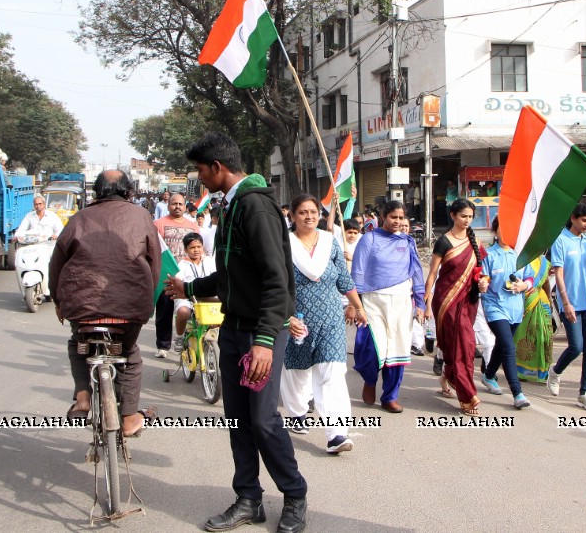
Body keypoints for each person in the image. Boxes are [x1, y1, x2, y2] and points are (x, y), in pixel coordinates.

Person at [164, 134, 307, 533]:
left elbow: (277, 280)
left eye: (199, 170)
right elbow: (230, 274)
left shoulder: (255, 207)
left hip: (262, 333)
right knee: (239, 420)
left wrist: (264, 341)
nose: (199, 177)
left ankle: (295, 495)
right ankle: (248, 499)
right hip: (234, 329)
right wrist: (188, 288)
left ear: (217, 168)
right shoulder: (230, 207)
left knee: (263, 421)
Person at [49, 170, 160, 439]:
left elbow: (56, 264)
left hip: (82, 307)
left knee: (78, 345)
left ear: (96, 192)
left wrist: (58, 300)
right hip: (130, 307)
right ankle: (130, 416)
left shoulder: (79, 218)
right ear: (129, 191)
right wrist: (148, 297)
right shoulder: (142, 216)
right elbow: (154, 264)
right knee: (129, 355)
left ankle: (83, 396)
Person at [280, 194, 367, 454]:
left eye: (314, 211)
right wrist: (286, 317)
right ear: (292, 216)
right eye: (303, 212)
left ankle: (337, 434)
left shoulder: (330, 242)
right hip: (297, 318)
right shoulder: (284, 245)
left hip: (330, 318)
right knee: (297, 371)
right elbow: (276, 283)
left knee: (332, 374)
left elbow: (344, 279)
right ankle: (296, 413)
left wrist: (358, 306)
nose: (309, 216)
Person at [351, 200, 426, 414]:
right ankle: (370, 379)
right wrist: (355, 305)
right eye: (394, 217)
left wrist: (420, 303)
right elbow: (358, 272)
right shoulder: (369, 239)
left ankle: (390, 396)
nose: (398, 221)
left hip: (401, 300)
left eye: (401, 218)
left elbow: (417, 272)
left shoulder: (408, 241)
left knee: (397, 349)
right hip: (373, 301)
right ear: (383, 217)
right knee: (372, 347)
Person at [424, 198, 488, 415]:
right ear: (453, 216)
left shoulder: (475, 242)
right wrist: (425, 299)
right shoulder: (444, 242)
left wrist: (483, 282)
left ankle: (449, 377)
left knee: (463, 347)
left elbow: (480, 272)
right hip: (446, 301)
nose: (467, 220)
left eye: (470, 216)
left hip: (468, 300)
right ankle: (467, 396)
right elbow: (432, 273)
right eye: (463, 216)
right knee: (462, 344)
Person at [547, 203, 586, 411]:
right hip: (570, 301)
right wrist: (565, 302)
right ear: (573, 218)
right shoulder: (560, 241)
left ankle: (584, 393)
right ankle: (556, 371)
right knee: (576, 346)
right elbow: (558, 273)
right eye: (583, 220)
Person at [479, 217, 531, 408]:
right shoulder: (489, 255)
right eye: (503, 228)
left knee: (502, 345)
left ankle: (489, 374)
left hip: (516, 309)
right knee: (509, 347)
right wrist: (483, 283)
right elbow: (483, 277)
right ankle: (517, 393)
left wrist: (524, 285)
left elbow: (530, 277)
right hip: (495, 307)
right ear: (495, 231)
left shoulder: (520, 255)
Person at [154, 192, 200, 357]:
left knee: (188, 311)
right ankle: (163, 346)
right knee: (164, 312)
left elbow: (199, 248)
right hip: (166, 277)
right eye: (174, 204)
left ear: (185, 205)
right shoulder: (158, 224)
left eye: (180, 204)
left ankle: (189, 343)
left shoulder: (193, 226)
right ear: (168, 206)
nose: (177, 207)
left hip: (187, 277)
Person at [171, 232, 216, 356]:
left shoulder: (210, 261)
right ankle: (179, 336)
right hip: (188, 297)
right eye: (192, 247)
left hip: (207, 296)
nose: (196, 250)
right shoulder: (181, 265)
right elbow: (179, 282)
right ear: (186, 249)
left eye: (199, 247)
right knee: (183, 311)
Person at [513, 254, 554, 384]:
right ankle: (522, 372)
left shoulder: (544, 262)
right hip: (526, 301)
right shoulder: (522, 258)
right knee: (526, 338)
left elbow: (546, 281)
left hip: (542, 302)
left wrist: (550, 299)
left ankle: (543, 372)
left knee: (545, 338)